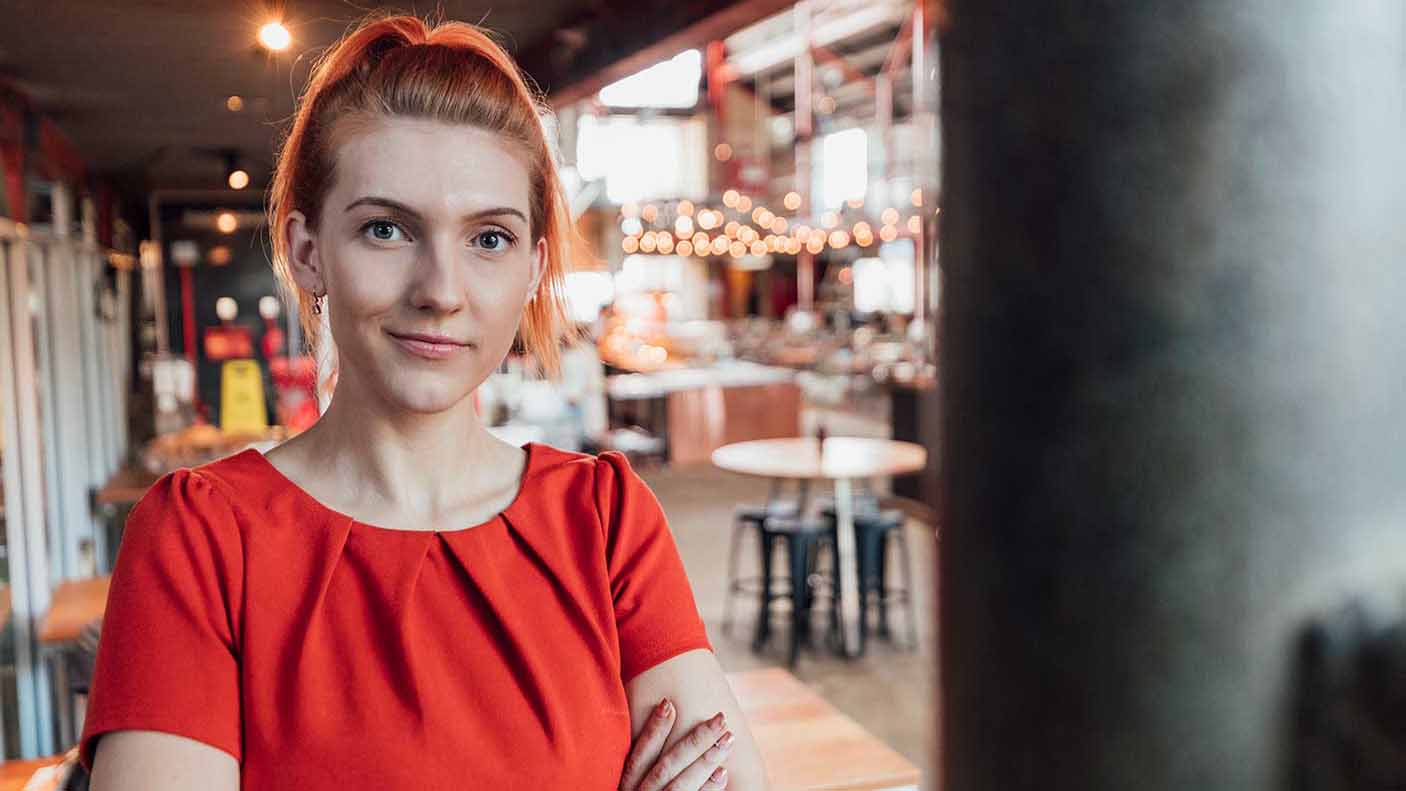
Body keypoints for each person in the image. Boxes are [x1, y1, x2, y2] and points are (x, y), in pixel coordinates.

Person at [80, 15, 768, 790]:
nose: (441, 291)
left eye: (489, 239)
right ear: (309, 252)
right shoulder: (202, 539)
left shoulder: (605, 520)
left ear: (534, 265)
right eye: (386, 229)